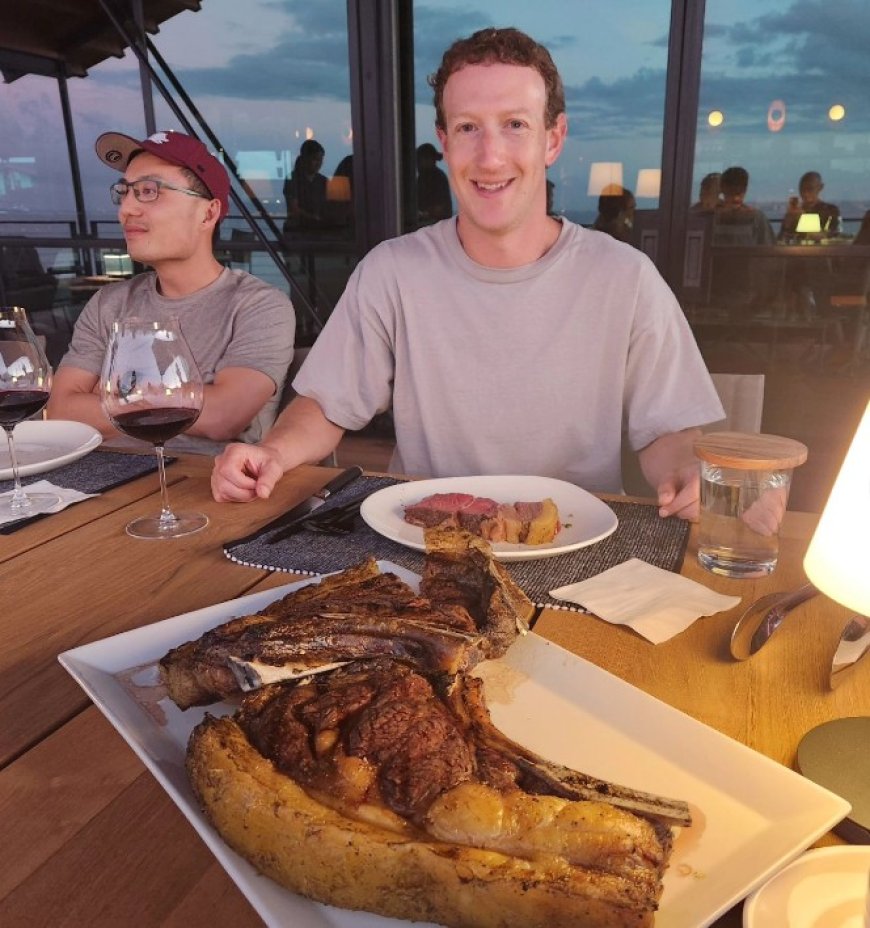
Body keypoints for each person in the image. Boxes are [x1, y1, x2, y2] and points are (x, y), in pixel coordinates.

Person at [212, 27, 723, 519]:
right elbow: (326, 405)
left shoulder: (625, 277)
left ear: (554, 137)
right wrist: (274, 452)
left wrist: (687, 473)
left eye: (515, 124)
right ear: (445, 142)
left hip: (576, 545)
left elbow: (668, 430)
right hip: (424, 543)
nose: (490, 155)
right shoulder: (393, 270)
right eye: (468, 127)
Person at [47, 130, 296, 454]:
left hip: (208, 491)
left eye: (149, 191)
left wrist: (105, 397)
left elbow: (223, 416)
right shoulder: (108, 304)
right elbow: (61, 412)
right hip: (104, 485)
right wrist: (182, 398)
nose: (126, 209)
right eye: (123, 192)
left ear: (208, 213)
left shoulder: (259, 306)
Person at [713, 166, 775, 245]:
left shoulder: (757, 218)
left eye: (740, 192)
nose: (736, 198)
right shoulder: (757, 218)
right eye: (731, 192)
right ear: (722, 189)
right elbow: (768, 250)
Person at [282, 139, 327, 236]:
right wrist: (315, 219)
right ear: (305, 158)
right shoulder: (293, 180)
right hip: (297, 232)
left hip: (318, 232)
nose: (319, 163)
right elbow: (294, 209)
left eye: (320, 160)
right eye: (315, 159)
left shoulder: (323, 181)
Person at [779, 171, 840, 239]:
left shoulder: (830, 211)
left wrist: (803, 218)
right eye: (802, 189)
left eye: (810, 189)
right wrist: (788, 221)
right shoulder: (793, 213)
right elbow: (781, 239)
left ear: (820, 188)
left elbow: (832, 235)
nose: (806, 193)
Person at [416, 142, 453, 223]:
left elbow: (441, 209)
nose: (418, 163)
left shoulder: (438, 178)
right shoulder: (422, 178)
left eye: (422, 159)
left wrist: (425, 214)